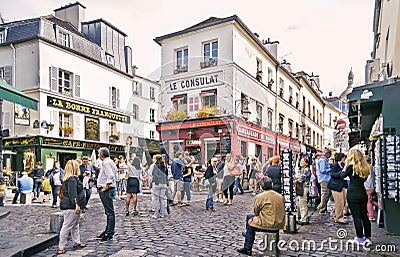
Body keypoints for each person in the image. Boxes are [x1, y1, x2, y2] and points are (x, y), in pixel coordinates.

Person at [237, 176, 286, 256]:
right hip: (279, 223)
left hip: (268, 224)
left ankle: (247, 248)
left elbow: (256, 213)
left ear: (261, 187)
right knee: (249, 217)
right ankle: (247, 234)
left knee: (250, 223)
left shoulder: (260, 197)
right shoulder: (280, 196)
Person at [341, 149, 372, 245]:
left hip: (353, 193)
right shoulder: (365, 167)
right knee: (364, 216)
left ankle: (360, 238)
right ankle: (368, 238)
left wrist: (345, 166)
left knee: (357, 217)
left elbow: (342, 175)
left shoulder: (351, 167)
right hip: (362, 192)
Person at [57, 160, 86, 254]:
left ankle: (76, 241)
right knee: (67, 226)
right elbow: (73, 194)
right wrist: (76, 204)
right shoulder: (72, 179)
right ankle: (61, 246)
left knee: (75, 224)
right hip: (72, 206)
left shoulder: (69, 179)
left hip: (70, 205)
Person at [96, 147, 117, 242]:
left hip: (106, 190)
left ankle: (109, 233)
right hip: (109, 189)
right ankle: (107, 230)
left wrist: (106, 186)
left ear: (101, 155)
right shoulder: (110, 161)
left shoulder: (105, 163)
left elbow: (111, 175)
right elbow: (114, 172)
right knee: (109, 211)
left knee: (109, 211)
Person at [328, 152, 348, 224]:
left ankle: (335, 212)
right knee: (339, 202)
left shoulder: (343, 164)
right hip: (336, 185)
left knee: (344, 201)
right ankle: (339, 218)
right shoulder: (334, 165)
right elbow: (333, 174)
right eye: (343, 157)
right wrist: (342, 172)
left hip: (342, 185)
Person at [296, 157, 311, 225]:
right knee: (301, 203)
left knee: (303, 203)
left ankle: (304, 219)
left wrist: (298, 177)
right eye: (301, 161)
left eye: (303, 161)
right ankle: (302, 217)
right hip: (300, 187)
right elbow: (296, 177)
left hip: (304, 187)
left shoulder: (307, 170)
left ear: (306, 163)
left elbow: (301, 179)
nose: (301, 162)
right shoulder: (301, 170)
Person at [316, 149, 332, 213]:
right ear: (327, 154)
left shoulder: (324, 160)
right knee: (325, 193)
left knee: (327, 193)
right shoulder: (323, 160)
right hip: (324, 179)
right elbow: (323, 170)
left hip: (325, 179)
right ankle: (321, 207)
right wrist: (330, 169)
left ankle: (323, 207)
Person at [364, 156, 378, 221]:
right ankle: (380, 206)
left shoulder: (367, 168)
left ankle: (371, 216)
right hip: (371, 186)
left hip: (367, 187)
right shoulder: (372, 167)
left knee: (368, 201)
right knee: (369, 200)